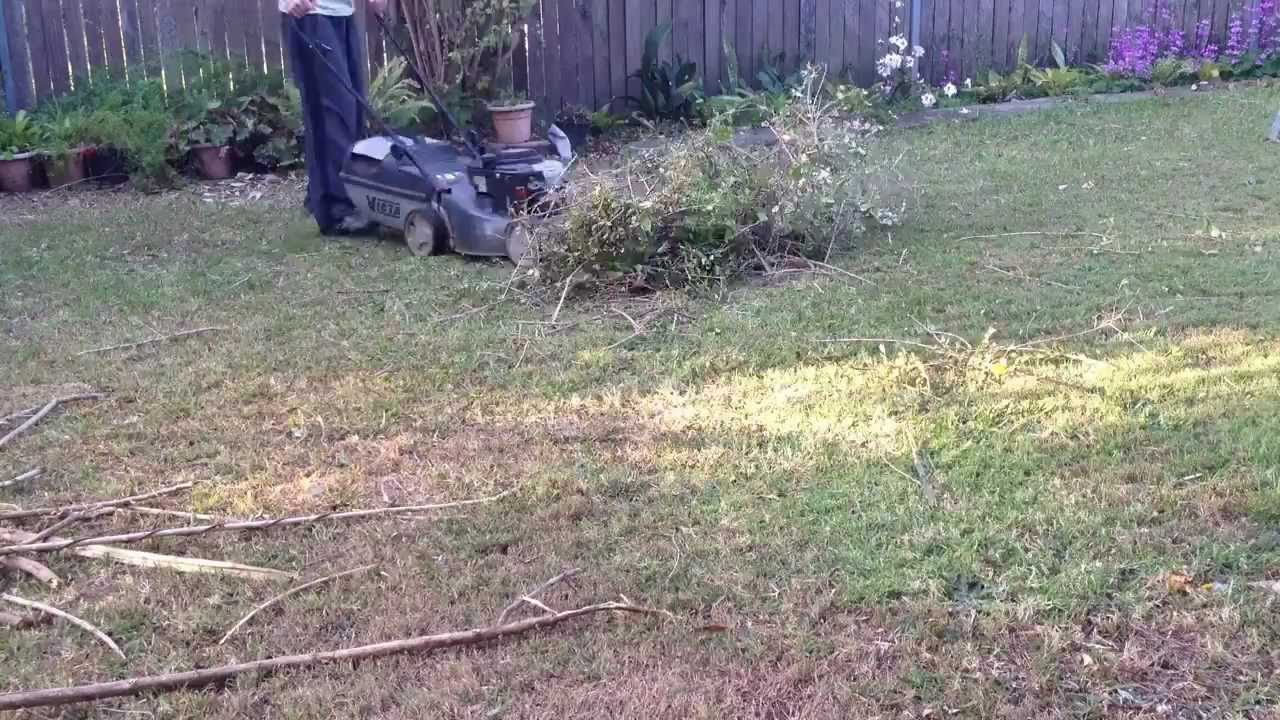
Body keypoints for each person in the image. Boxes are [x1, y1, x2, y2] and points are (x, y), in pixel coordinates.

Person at [281, 0, 387, 236]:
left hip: (342, 11)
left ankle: (327, 194)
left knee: (353, 107)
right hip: (310, 11)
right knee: (334, 109)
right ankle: (338, 209)